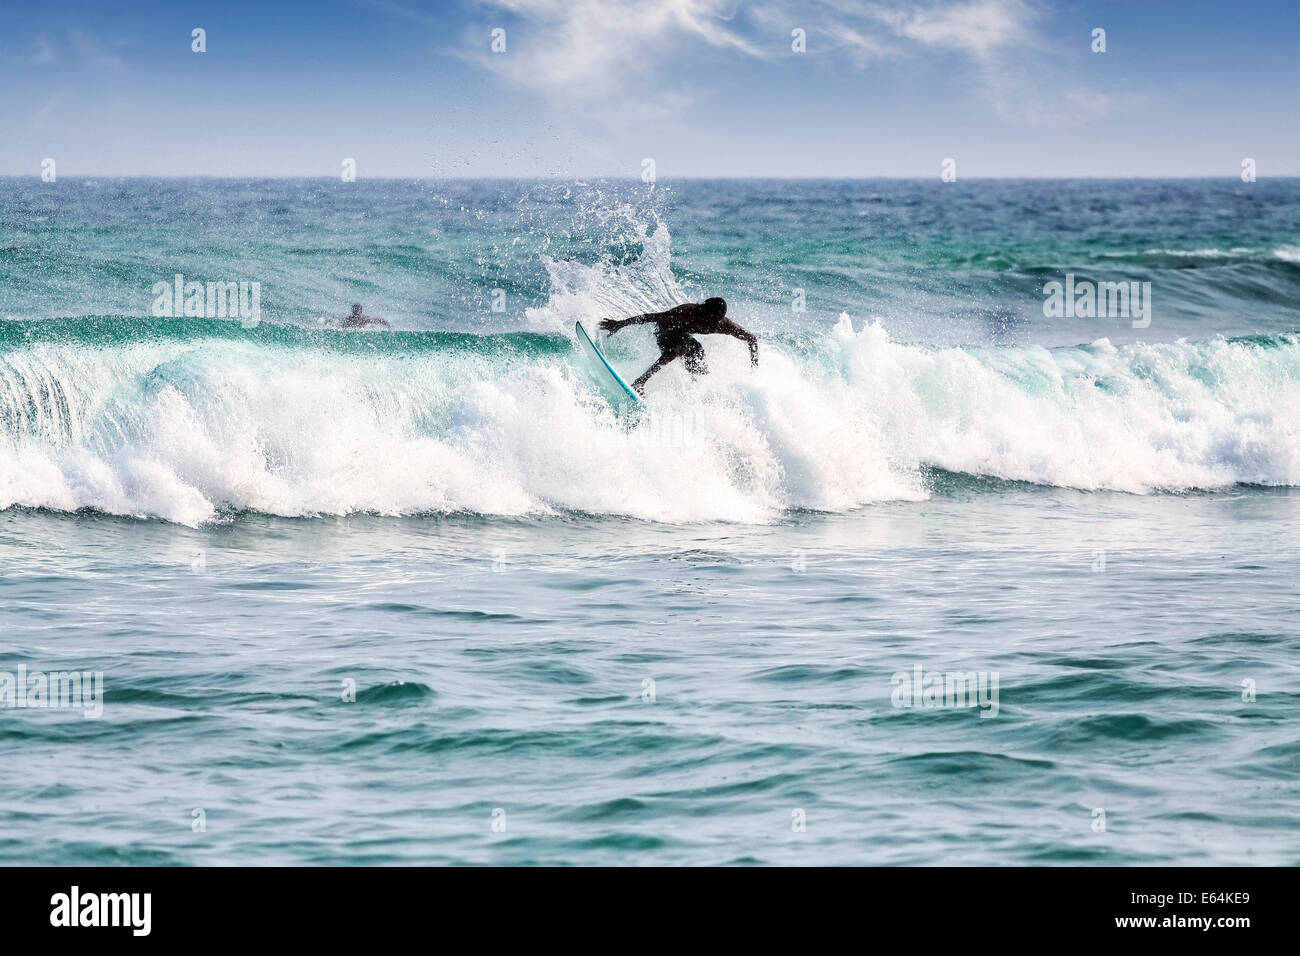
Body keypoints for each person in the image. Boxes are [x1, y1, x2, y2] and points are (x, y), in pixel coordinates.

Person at [599, 297, 757, 393]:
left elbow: (752, 339)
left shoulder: (723, 325)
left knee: (698, 356)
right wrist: (620, 324)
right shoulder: (687, 313)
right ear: (704, 311)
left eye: (718, 319)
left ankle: (694, 391)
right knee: (681, 347)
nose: (714, 323)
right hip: (665, 332)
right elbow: (652, 317)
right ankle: (640, 382)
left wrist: (754, 369)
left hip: (683, 336)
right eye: (711, 317)